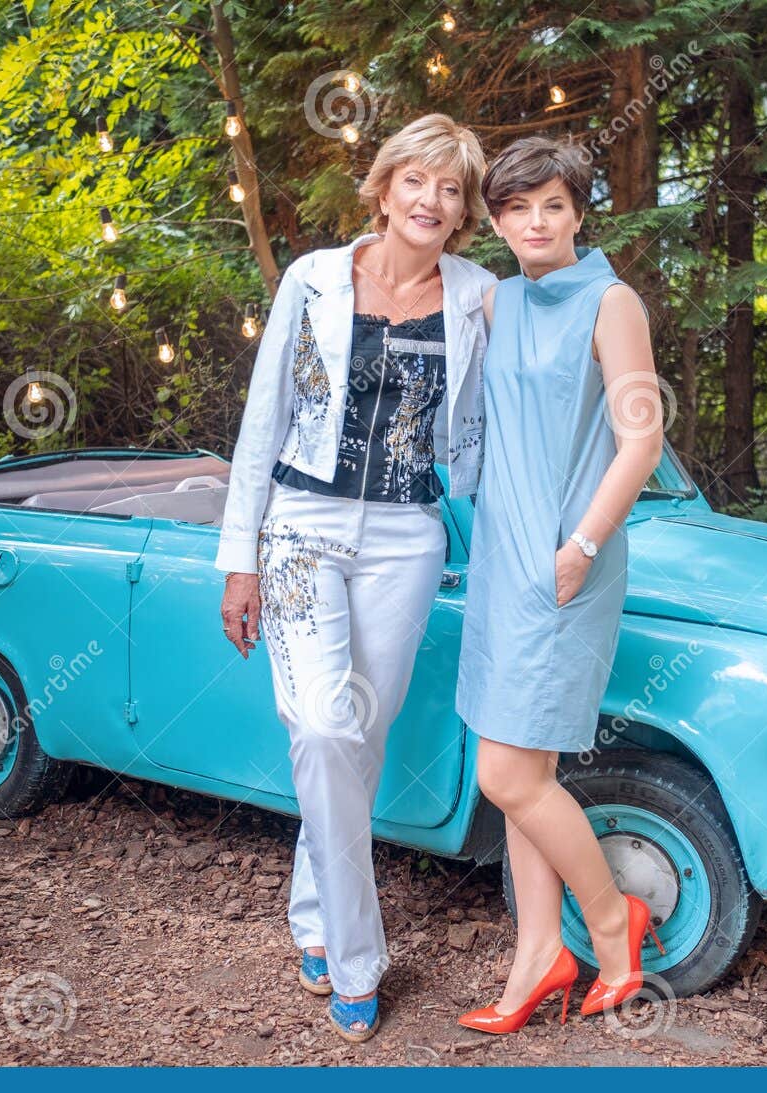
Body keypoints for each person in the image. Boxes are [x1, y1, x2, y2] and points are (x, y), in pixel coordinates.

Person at [216, 114, 497, 1043]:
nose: (432, 201)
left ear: (463, 213)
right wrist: (240, 558)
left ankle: (310, 913)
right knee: (327, 725)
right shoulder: (313, 280)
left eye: (451, 190)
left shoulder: (479, 297)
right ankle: (356, 955)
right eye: (417, 181)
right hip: (302, 525)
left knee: (357, 739)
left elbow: (525, 392)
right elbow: (264, 419)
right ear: (382, 188)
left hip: (411, 537)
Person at [454, 136, 666, 1034]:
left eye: (552, 205)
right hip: (502, 558)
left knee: (509, 771)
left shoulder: (613, 302)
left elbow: (642, 441)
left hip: (565, 561)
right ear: (496, 221)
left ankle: (616, 926)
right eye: (515, 209)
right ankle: (540, 954)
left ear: (579, 211)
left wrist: (580, 545)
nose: (534, 223)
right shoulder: (498, 301)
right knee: (518, 774)